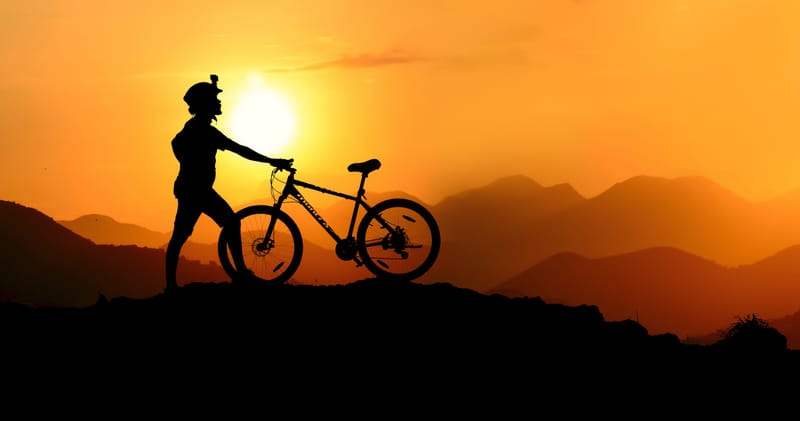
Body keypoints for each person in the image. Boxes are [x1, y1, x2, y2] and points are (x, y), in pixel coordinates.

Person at [165, 74, 293, 293]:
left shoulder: (194, 128)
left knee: (183, 235)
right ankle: (240, 274)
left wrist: (186, 165)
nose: (219, 102)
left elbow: (175, 143)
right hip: (197, 190)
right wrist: (272, 161)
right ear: (205, 104)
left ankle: (174, 286)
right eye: (215, 99)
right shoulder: (204, 130)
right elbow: (240, 150)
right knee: (225, 225)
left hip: (192, 189)